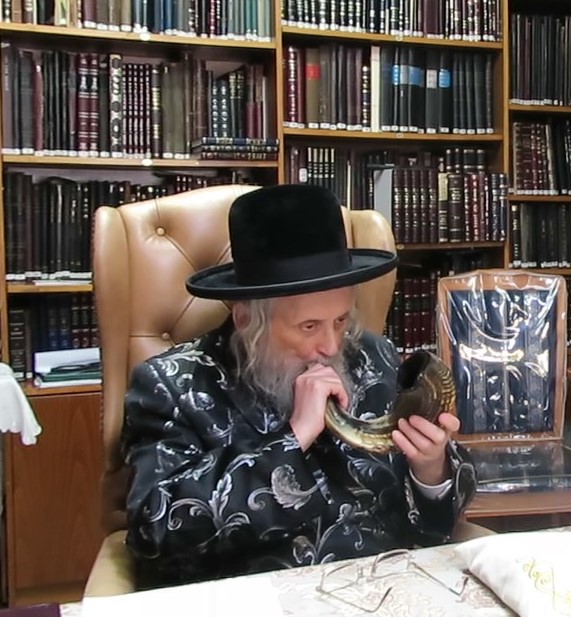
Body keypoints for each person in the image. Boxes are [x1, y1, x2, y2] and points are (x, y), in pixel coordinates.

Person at [121, 183, 477, 590]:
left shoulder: (372, 355)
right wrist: (293, 438)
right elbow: (154, 533)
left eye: (340, 320)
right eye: (309, 326)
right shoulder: (173, 384)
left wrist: (430, 470)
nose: (331, 346)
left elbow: (432, 525)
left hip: (388, 591)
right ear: (246, 319)